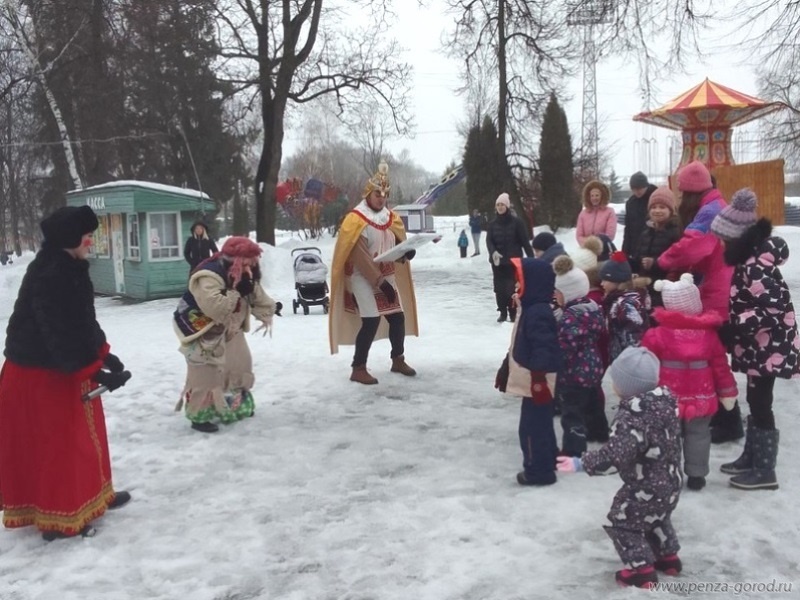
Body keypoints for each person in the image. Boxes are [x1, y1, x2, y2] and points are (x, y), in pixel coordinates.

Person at [0, 206, 132, 541]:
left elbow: (82, 322)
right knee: (59, 447)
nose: (91, 241)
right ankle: (56, 522)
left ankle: (95, 498)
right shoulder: (51, 273)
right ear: (70, 238)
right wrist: (94, 371)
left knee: (87, 438)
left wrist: (104, 354)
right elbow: (56, 331)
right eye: (87, 235)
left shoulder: (70, 267)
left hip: (62, 369)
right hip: (39, 375)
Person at [557, 347, 682, 589]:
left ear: (626, 386)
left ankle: (641, 570)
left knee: (623, 521)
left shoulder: (632, 418)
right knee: (657, 516)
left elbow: (615, 456)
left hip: (645, 485)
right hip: (671, 481)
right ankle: (669, 558)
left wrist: (581, 463)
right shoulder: (665, 403)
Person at [713, 189, 800, 490]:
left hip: (769, 348)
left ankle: (765, 471)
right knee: (754, 400)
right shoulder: (747, 263)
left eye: (724, 238)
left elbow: (773, 310)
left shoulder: (755, 268)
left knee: (762, 405)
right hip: (759, 347)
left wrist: (736, 329)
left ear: (738, 238)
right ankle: (751, 456)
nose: (720, 243)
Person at [658, 162, 741, 443]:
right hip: (724, 290)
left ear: (691, 192)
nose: (680, 200)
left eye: (681, 194)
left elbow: (692, 246)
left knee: (712, 357)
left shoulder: (710, 212)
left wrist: (663, 261)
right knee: (714, 356)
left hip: (718, 295)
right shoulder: (719, 205)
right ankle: (724, 415)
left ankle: (728, 420)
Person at [641, 274, 738, 491]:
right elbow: (720, 366)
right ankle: (697, 474)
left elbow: (645, 365)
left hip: (667, 396)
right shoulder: (709, 335)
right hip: (702, 396)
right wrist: (727, 391)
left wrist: (640, 390)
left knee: (669, 436)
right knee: (699, 434)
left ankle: (669, 470)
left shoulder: (656, 335)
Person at [173, 236, 278, 432]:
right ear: (236, 260)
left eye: (254, 262)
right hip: (202, 329)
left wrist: (267, 309)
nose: (252, 266)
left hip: (231, 327)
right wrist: (236, 291)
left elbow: (257, 295)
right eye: (247, 262)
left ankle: (236, 407)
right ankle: (200, 415)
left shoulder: (245, 273)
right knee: (206, 372)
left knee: (239, 364)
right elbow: (215, 307)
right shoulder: (208, 276)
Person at [328, 161, 418, 385]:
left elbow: (391, 247)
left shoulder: (390, 218)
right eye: (378, 194)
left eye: (385, 194)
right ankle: (358, 367)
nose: (382, 198)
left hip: (386, 275)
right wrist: (380, 283)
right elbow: (361, 257)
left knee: (397, 318)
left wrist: (404, 254)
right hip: (363, 277)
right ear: (368, 193)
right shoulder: (355, 220)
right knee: (371, 321)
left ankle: (397, 359)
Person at [494, 257, 561, 486]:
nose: (516, 287)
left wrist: (539, 379)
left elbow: (544, 346)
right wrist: (506, 369)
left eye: (519, 283)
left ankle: (538, 471)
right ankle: (549, 459)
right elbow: (518, 345)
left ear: (533, 285)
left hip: (537, 381)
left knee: (532, 429)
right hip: (532, 379)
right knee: (540, 424)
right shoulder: (530, 308)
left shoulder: (538, 312)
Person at [552, 255, 605, 457]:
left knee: (572, 411)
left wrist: (555, 358)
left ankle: (574, 449)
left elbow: (566, 347)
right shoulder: (592, 308)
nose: (555, 295)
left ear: (568, 292)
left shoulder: (571, 317)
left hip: (574, 372)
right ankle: (599, 432)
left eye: (557, 292)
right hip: (593, 365)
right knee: (592, 403)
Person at [486, 193, 534, 323]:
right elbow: (489, 241)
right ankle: (502, 311)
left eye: (502, 204)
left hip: (513, 261)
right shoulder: (492, 224)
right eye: (498, 205)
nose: (500, 207)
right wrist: (493, 252)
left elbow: (524, 241)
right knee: (499, 288)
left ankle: (513, 312)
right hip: (497, 262)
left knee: (511, 287)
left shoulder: (517, 223)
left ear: (507, 206)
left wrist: (531, 259)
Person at [599, 251, 650, 362]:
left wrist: (625, 363)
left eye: (605, 280)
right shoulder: (616, 300)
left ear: (617, 280)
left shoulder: (626, 306)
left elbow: (633, 340)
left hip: (626, 363)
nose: (602, 284)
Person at [621, 172, 658, 269]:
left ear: (646, 186)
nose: (637, 191)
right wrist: (625, 250)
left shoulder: (655, 198)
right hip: (635, 246)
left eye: (640, 188)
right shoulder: (631, 203)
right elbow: (628, 228)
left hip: (652, 246)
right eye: (634, 189)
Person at [576, 180, 617, 245]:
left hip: (604, 249)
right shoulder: (583, 214)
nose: (594, 198)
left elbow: (610, 235)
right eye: (592, 196)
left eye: (597, 195)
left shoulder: (609, 212)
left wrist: (596, 245)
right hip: (586, 249)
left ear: (602, 196)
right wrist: (589, 244)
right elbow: (579, 236)